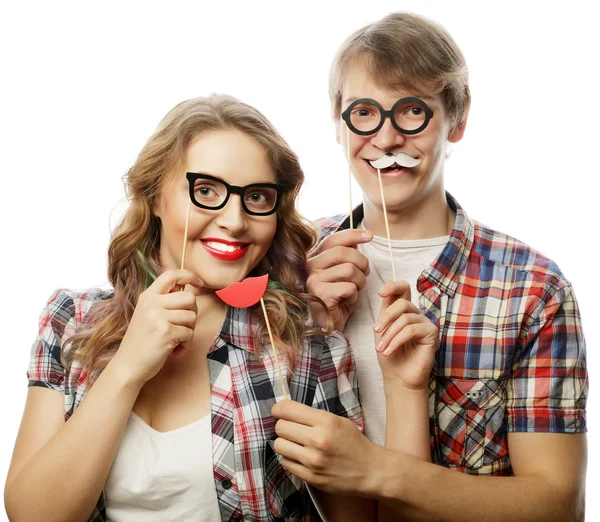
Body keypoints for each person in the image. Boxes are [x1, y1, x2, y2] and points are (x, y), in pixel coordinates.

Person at [272, 12, 588, 521]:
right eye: (364, 113)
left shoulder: (533, 290)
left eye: (413, 112)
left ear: (458, 119)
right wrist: (299, 322)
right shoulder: (285, 260)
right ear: (338, 123)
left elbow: (557, 506)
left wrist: (372, 470)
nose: (387, 138)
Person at [4, 95, 369, 522]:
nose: (234, 220)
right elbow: (32, 515)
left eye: (255, 196)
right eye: (206, 190)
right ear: (155, 196)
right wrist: (128, 367)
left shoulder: (305, 345)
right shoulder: (71, 321)